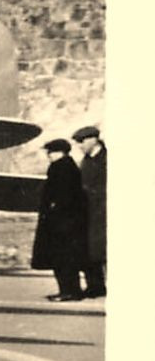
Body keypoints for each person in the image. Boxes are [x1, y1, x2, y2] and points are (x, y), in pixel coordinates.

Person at [31, 137, 89, 302]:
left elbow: (63, 197)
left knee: (63, 259)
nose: (48, 155)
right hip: (65, 222)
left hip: (61, 224)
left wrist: (53, 211)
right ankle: (69, 290)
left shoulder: (61, 168)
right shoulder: (67, 166)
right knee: (65, 259)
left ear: (60, 152)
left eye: (51, 152)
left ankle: (69, 292)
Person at [74, 126, 107, 298]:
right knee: (89, 251)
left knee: (103, 251)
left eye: (82, 141)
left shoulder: (107, 159)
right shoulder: (85, 161)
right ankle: (95, 286)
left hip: (103, 213)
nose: (79, 145)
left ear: (93, 139)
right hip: (88, 213)